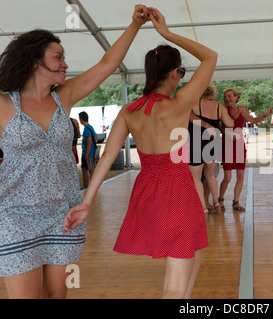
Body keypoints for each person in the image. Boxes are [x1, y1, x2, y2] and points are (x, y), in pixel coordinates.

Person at [64, 8, 218, 299]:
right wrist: (167, 33)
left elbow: (107, 157)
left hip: (148, 192)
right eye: (181, 73)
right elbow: (211, 57)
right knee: (175, 280)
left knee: (193, 255)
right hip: (178, 191)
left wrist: (87, 201)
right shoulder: (179, 103)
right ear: (175, 73)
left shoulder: (129, 111)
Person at [0, 5, 148, 299]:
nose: (66, 64)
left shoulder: (63, 97)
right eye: (59, 57)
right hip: (14, 217)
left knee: (57, 296)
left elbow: (107, 65)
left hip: (63, 214)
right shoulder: (4, 105)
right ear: (34, 61)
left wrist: (135, 24)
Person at [219, 89, 272, 212]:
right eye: (225, 96)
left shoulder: (242, 111)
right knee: (227, 177)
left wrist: (266, 114)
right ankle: (220, 200)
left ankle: (235, 202)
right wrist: (236, 113)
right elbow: (227, 123)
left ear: (236, 97)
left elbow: (253, 121)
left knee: (240, 176)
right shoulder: (223, 110)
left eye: (229, 96)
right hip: (227, 144)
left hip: (239, 145)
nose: (227, 98)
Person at [188, 83, 235, 216]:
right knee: (210, 175)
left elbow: (185, 115)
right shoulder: (219, 107)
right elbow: (230, 124)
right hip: (214, 142)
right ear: (212, 94)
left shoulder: (194, 103)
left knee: (196, 177)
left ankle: (203, 208)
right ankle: (216, 202)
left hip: (197, 142)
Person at [78, 111, 97, 188]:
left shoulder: (86, 129)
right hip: (91, 153)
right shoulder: (90, 127)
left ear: (81, 119)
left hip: (87, 153)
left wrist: (86, 154)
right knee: (89, 170)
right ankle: (90, 187)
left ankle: (87, 187)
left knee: (87, 171)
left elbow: (89, 142)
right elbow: (95, 136)